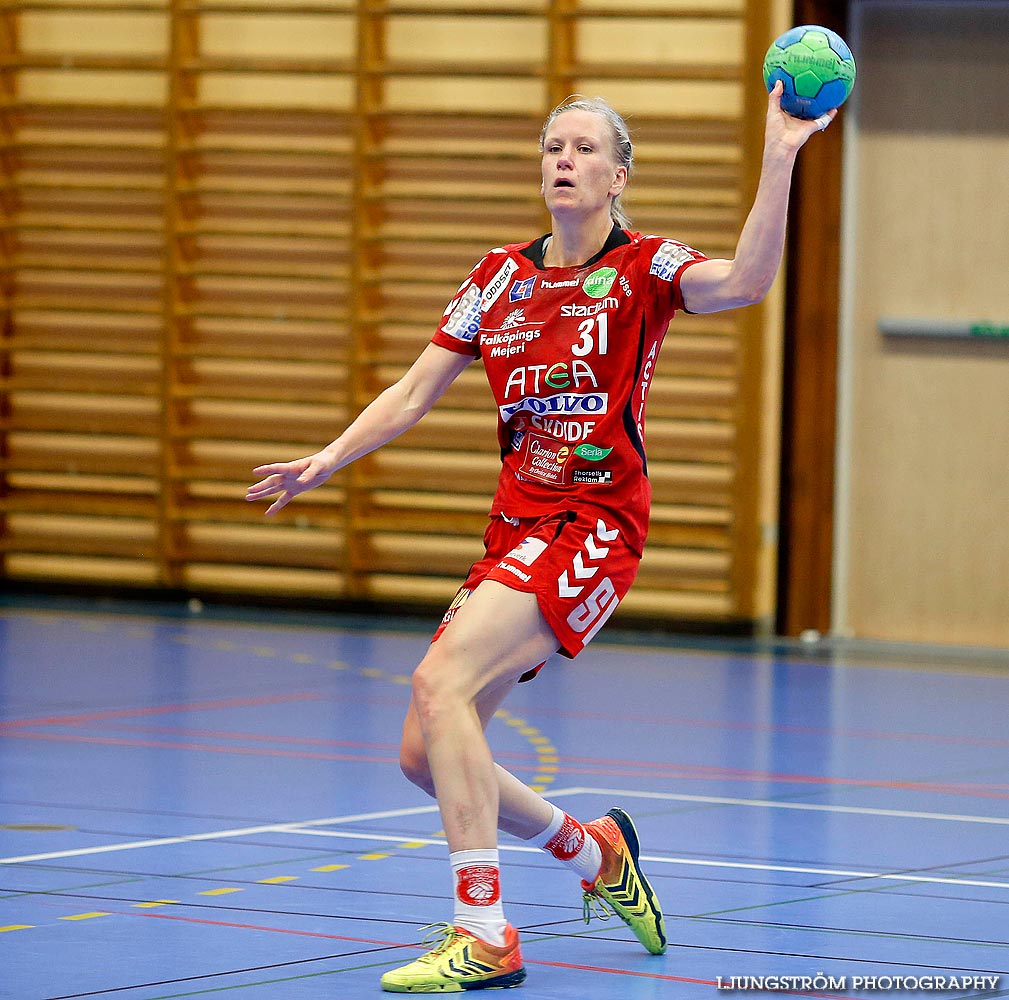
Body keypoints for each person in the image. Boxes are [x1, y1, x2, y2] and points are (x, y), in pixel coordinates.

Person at [246, 82, 834, 993]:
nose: (563, 158)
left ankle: (483, 934)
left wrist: (779, 151)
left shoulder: (643, 267)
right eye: (552, 146)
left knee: (438, 682)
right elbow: (411, 394)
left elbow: (748, 282)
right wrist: (326, 459)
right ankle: (593, 851)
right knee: (424, 752)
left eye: (584, 147)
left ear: (617, 174)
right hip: (515, 526)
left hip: (596, 523)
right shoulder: (498, 278)